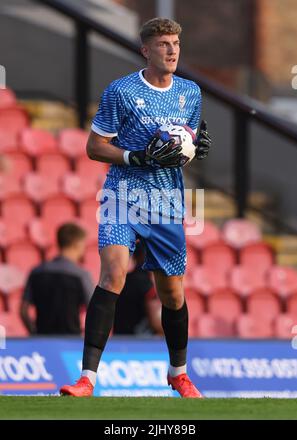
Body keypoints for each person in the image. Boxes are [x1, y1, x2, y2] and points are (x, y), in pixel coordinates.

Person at [60, 17, 211, 398]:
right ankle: (87, 379)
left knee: (172, 295)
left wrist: (191, 150)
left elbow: (179, 151)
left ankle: (178, 372)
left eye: (176, 42)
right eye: (163, 44)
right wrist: (133, 156)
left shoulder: (190, 93)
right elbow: (95, 146)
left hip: (166, 201)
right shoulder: (122, 91)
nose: (172, 50)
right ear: (146, 49)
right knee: (113, 274)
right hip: (122, 195)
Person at [20, 223, 93, 335]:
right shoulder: (81, 275)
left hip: (43, 338)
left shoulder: (37, 272)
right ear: (77, 244)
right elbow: (94, 310)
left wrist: (34, 333)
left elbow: (23, 311)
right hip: (71, 340)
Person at [113, 241, 162, 335]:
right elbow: (156, 323)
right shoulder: (147, 285)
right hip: (140, 343)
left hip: (119, 339)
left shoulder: (121, 281)